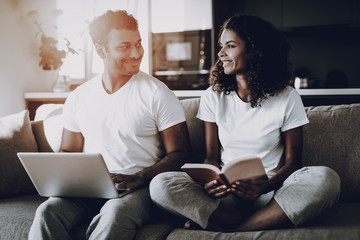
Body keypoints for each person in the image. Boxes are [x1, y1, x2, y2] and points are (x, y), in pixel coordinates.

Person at [150, 15, 340, 232]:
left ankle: (234, 228)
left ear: (255, 51)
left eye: (230, 46)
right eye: (222, 46)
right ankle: (257, 221)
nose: (221, 53)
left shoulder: (287, 97)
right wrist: (210, 183)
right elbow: (211, 157)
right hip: (227, 197)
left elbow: (293, 163)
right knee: (161, 184)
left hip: (270, 193)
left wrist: (265, 186)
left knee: (327, 178)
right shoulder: (214, 96)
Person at [29, 10, 191, 240]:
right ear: (101, 50)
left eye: (138, 44)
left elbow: (181, 154)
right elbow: (69, 150)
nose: (136, 53)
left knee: (115, 213)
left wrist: (140, 177)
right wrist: (60, 176)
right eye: (124, 46)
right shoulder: (79, 96)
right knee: (47, 211)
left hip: (140, 189)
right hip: (89, 190)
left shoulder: (157, 93)